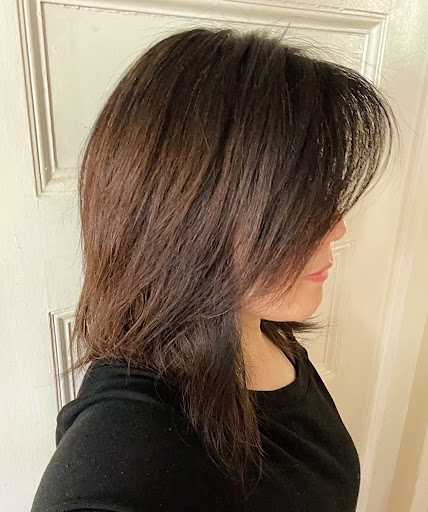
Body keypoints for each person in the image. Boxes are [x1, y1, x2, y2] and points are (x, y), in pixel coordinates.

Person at [31, 26, 398, 512]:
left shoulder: (261, 331)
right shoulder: (125, 454)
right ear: (190, 215)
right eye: (299, 203)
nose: (337, 228)